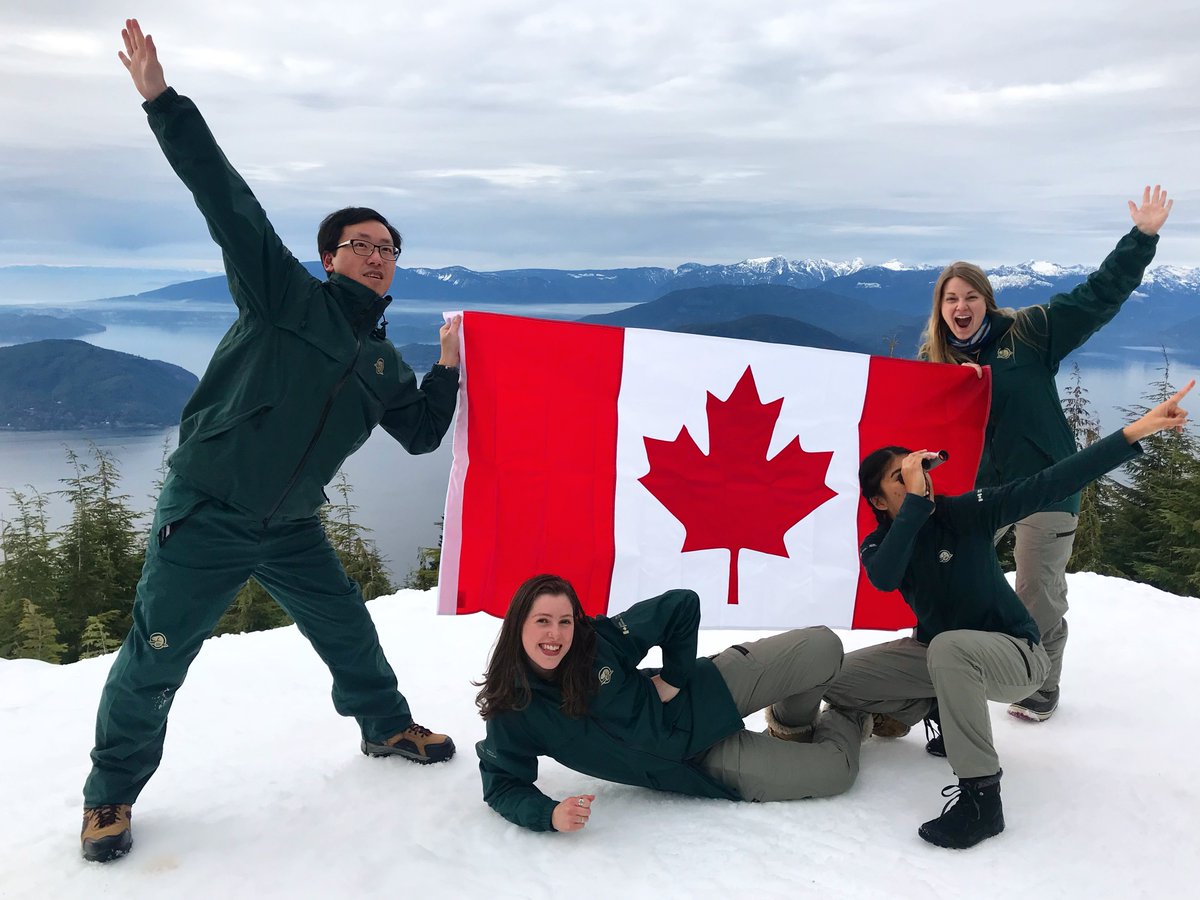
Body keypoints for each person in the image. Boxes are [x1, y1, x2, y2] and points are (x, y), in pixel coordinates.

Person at [81, 20, 463, 863]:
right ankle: (109, 795)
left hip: (289, 522)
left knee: (348, 631)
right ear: (329, 258)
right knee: (155, 657)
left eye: (388, 248)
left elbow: (423, 436)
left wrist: (446, 370)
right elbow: (227, 198)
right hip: (208, 510)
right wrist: (161, 101)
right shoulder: (282, 296)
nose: (377, 256)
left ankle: (385, 729)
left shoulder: (380, 362)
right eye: (361, 245)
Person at [824, 379, 1192, 849]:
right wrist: (915, 507)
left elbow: (1051, 482)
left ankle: (981, 800)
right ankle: (930, 706)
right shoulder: (880, 544)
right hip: (938, 655)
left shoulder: (966, 514)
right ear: (878, 502)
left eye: (917, 469)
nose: (920, 479)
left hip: (1017, 656)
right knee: (836, 678)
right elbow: (885, 575)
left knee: (950, 648)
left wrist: (1132, 433)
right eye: (901, 478)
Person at [914, 187, 1173, 723]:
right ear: (940, 309)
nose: (961, 307)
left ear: (986, 299)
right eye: (950, 299)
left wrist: (1142, 237)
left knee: (1038, 592)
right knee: (949, 581)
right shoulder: (933, 363)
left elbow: (1100, 295)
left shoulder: (1031, 334)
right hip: (975, 494)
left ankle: (1041, 684)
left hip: (1046, 484)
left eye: (970, 296)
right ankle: (934, 675)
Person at [474, 574, 872, 833]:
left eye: (565, 621)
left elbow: (681, 604)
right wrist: (548, 816)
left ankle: (791, 726)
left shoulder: (599, 641)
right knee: (838, 772)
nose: (556, 634)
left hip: (708, 689)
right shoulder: (514, 708)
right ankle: (848, 714)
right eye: (542, 621)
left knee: (824, 646)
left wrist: (675, 676)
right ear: (518, 624)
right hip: (698, 761)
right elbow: (503, 785)